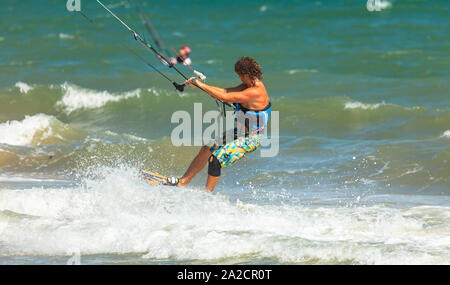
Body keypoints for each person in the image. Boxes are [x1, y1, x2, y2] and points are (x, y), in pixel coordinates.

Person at [164, 56, 272, 192]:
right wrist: (200, 85)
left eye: (240, 76)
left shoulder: (255, 91)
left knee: (215, 160)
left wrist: (200, 85)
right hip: (239, 133)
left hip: (251, 138)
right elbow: (225, 92)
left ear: (246, 74)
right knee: (207, 148)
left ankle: (206, 196)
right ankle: (183, 182)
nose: (240, 79)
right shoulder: (248, 85)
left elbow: (225, 97)